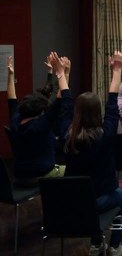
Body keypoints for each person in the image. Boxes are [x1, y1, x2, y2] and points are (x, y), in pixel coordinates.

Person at [63, 51, 122, 256]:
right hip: (99, 201)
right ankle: (115, 245)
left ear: (77, 113)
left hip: (74, 203)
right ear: (97, 112)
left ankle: (95, 244)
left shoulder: (67, 136)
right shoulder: (105, 135)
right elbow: (113, 105)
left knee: (98, 198)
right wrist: (117, 70)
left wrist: (62, 75)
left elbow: (64, 107)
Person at [6, 54, 69, 186]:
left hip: (19, 175)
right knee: (73, 170)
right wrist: (64, 73)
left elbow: (11, 99)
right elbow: (61, 99)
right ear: (40, 112)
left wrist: (11, 75)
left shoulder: (15, 122)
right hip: (43, 174)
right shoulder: (41, 125)